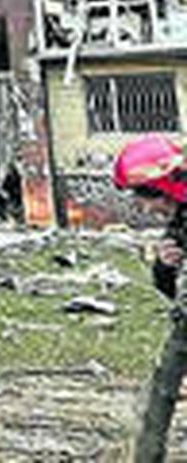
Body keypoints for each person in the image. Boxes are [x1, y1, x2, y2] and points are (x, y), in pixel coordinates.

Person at [113, 134, 187, 463]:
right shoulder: (179, 221)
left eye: (144, 197)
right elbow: (169, 289)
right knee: (158, 396)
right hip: (184, 323)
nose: (144, 208)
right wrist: (163, 267)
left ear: (164, 187)